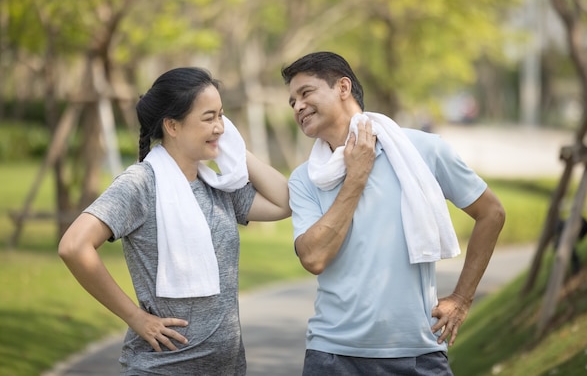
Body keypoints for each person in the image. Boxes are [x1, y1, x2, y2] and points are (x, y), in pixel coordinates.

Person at [281, 51, 505, 375]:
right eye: (292, 102)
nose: (297, 106)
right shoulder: (304, 179)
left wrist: (462, 298)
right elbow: (313, 258)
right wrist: (355, 177)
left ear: (343, 88)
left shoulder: (422, 150)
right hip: (332, 356)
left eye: (306, 93)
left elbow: (492, 213)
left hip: (417, 353)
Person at [58, 67, 291, 375]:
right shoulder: (142, 183)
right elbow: (74, 246)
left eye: (222, 116)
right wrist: (135, 317)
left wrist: (232, 147)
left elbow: (283, 202)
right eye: (208, 118)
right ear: (172, 126)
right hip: (162, 368)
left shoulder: (217, 185)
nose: (220, 126)